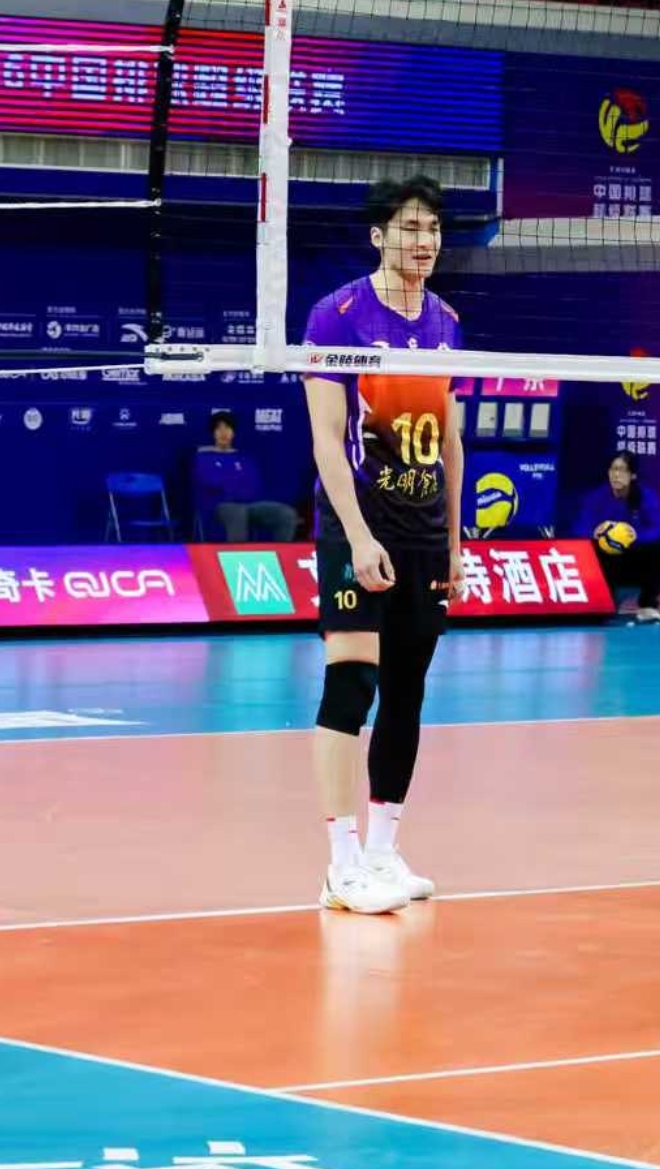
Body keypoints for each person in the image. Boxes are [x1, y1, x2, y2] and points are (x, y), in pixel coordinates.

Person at [300, 176, 465, 916]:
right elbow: (325, 442)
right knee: (352, 682)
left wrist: (454, 543)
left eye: (432, 229)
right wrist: (359, 538)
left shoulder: (447, 323)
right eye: (409, 228)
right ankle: (340, 865)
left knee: (407, 690)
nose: (423, 242)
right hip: (356, 523)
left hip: (424, 529)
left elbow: (452, 441)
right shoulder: (335, 317)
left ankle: (382, 852)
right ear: (379, 236)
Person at [574, 451, 660, 621]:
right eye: (613, 469)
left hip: (633, 556)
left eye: (622, 470)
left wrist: (635, 536)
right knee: (595, 549)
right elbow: (578, 529)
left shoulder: (645, 496)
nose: (616, 475)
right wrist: (594, 532)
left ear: (633, 475)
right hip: (606, 559)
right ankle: (605, 603)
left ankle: (647, 605)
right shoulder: (596, 497)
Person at [194, 411, 297, 542]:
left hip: (250, 504)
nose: (223, 433)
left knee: (286, 513)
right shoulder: (203, 458)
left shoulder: (245, 459)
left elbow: (253, 486)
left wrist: (227, 481)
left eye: (227, 428)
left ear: (233, 432)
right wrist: (236, 481)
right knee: (238, 512)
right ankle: (237, 554)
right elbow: (211, 482)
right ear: (213, 433)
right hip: (218, 505)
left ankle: (282, 552)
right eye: (219, 428)